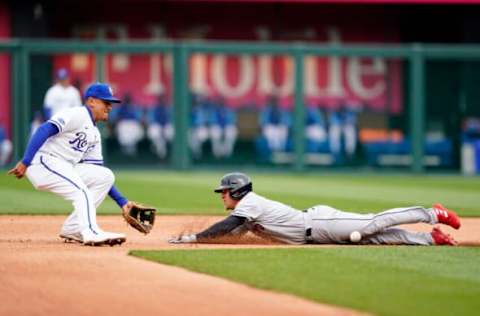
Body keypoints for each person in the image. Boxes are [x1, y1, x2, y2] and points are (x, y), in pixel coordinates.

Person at [169, 172, 460, 246]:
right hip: (316, 234)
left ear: (238, 191)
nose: (222, 196)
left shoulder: (249, 204)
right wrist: (188, 240)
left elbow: (226, 227)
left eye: (225, 192)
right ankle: (430, 239)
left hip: (321, 223)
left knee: (371, 224)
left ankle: (432, 214)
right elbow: (228, 232)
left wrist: (195, 238)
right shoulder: (246, 212)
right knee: (379, 238)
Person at [8, 82, 136, 246]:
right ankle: (90, 232)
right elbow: (44, 129)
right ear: (91, 101)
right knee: (81, 192)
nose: (110, 107)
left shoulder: (95, 134)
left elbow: (96, 171)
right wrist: (25, 161)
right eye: (106, 102)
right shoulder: (78, 114)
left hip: (63, 166)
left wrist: (122, 202)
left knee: (105, 176)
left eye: (111, 103)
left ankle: (73, 228)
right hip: (43, 162)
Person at [146, 94, 174, 159]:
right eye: (161, 99)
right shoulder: (155, 108)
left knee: (170, 133)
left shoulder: (168, 109)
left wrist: (163, 128)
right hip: (156, 127)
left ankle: (170, 152)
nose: (162, 101)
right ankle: (157, 150)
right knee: (155, 133)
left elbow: (169, 120)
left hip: (166, 127)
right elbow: (150, 120)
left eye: (163, 99)